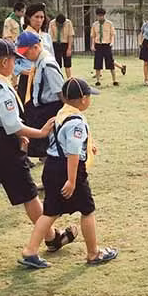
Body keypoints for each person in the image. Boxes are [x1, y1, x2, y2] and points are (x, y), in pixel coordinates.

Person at [0, 40, 77, 260]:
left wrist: (19, 134)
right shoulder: (1, 88)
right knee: (29, 194)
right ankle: (51, 238)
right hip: (4, 145)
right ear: (4, 61)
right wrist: (40, 132)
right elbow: (12, 125)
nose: (16, 65)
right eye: (13, 60)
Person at [19, 78, 118, 268]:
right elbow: (72, 151)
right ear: (82, 99)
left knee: (49, 212)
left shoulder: (61, 113)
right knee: (87, 210)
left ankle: (29, 251)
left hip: (52, 166)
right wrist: (72, 180)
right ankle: (93, 253)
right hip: (68, 169)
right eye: (89, 97)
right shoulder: (76, 121)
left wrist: (89, 146)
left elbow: (64, 140)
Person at [18, 30, 65, 158]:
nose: (25, 56)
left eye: (26, 52)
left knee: (48, 142)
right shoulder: (38, 62)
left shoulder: (47, 64)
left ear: (36, 47)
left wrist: (67, 112)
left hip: (50, 108)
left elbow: (60, 91)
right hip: (39, 107)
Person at [15, 4, 50, 101]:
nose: (39, 20)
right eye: (36, 17)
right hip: (27, 79)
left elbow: (52, 57)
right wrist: (26, 72)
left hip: (45, 77)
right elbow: (14, 62)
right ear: (29, 18)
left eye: (42, 17)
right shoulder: (23, 37)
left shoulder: (46, 37)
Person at [91, 8, 125, 86]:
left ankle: (114, 80)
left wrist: (112, 42)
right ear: (97, 16)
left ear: (104, 15)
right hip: (98, 45)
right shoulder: (95, 25)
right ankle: (98, 80)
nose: (100, 17)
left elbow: (112, 34)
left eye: (102, 15)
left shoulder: (109, 24)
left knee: (110, 63)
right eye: (99, 16)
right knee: (97, 63)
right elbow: (93, 36)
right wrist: (93, 45)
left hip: (107, 45)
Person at [49, 13, 75, 78]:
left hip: (65, 44)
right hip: (55, 44)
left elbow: (70, 36)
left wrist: (69, 48)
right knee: (57, 64)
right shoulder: (52, 23)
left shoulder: (68, 23)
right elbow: (50, 36)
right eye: (59, 24)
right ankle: (59, 79)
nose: (60, 25)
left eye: (62, 24)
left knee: (67, 64)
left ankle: (69, 79)